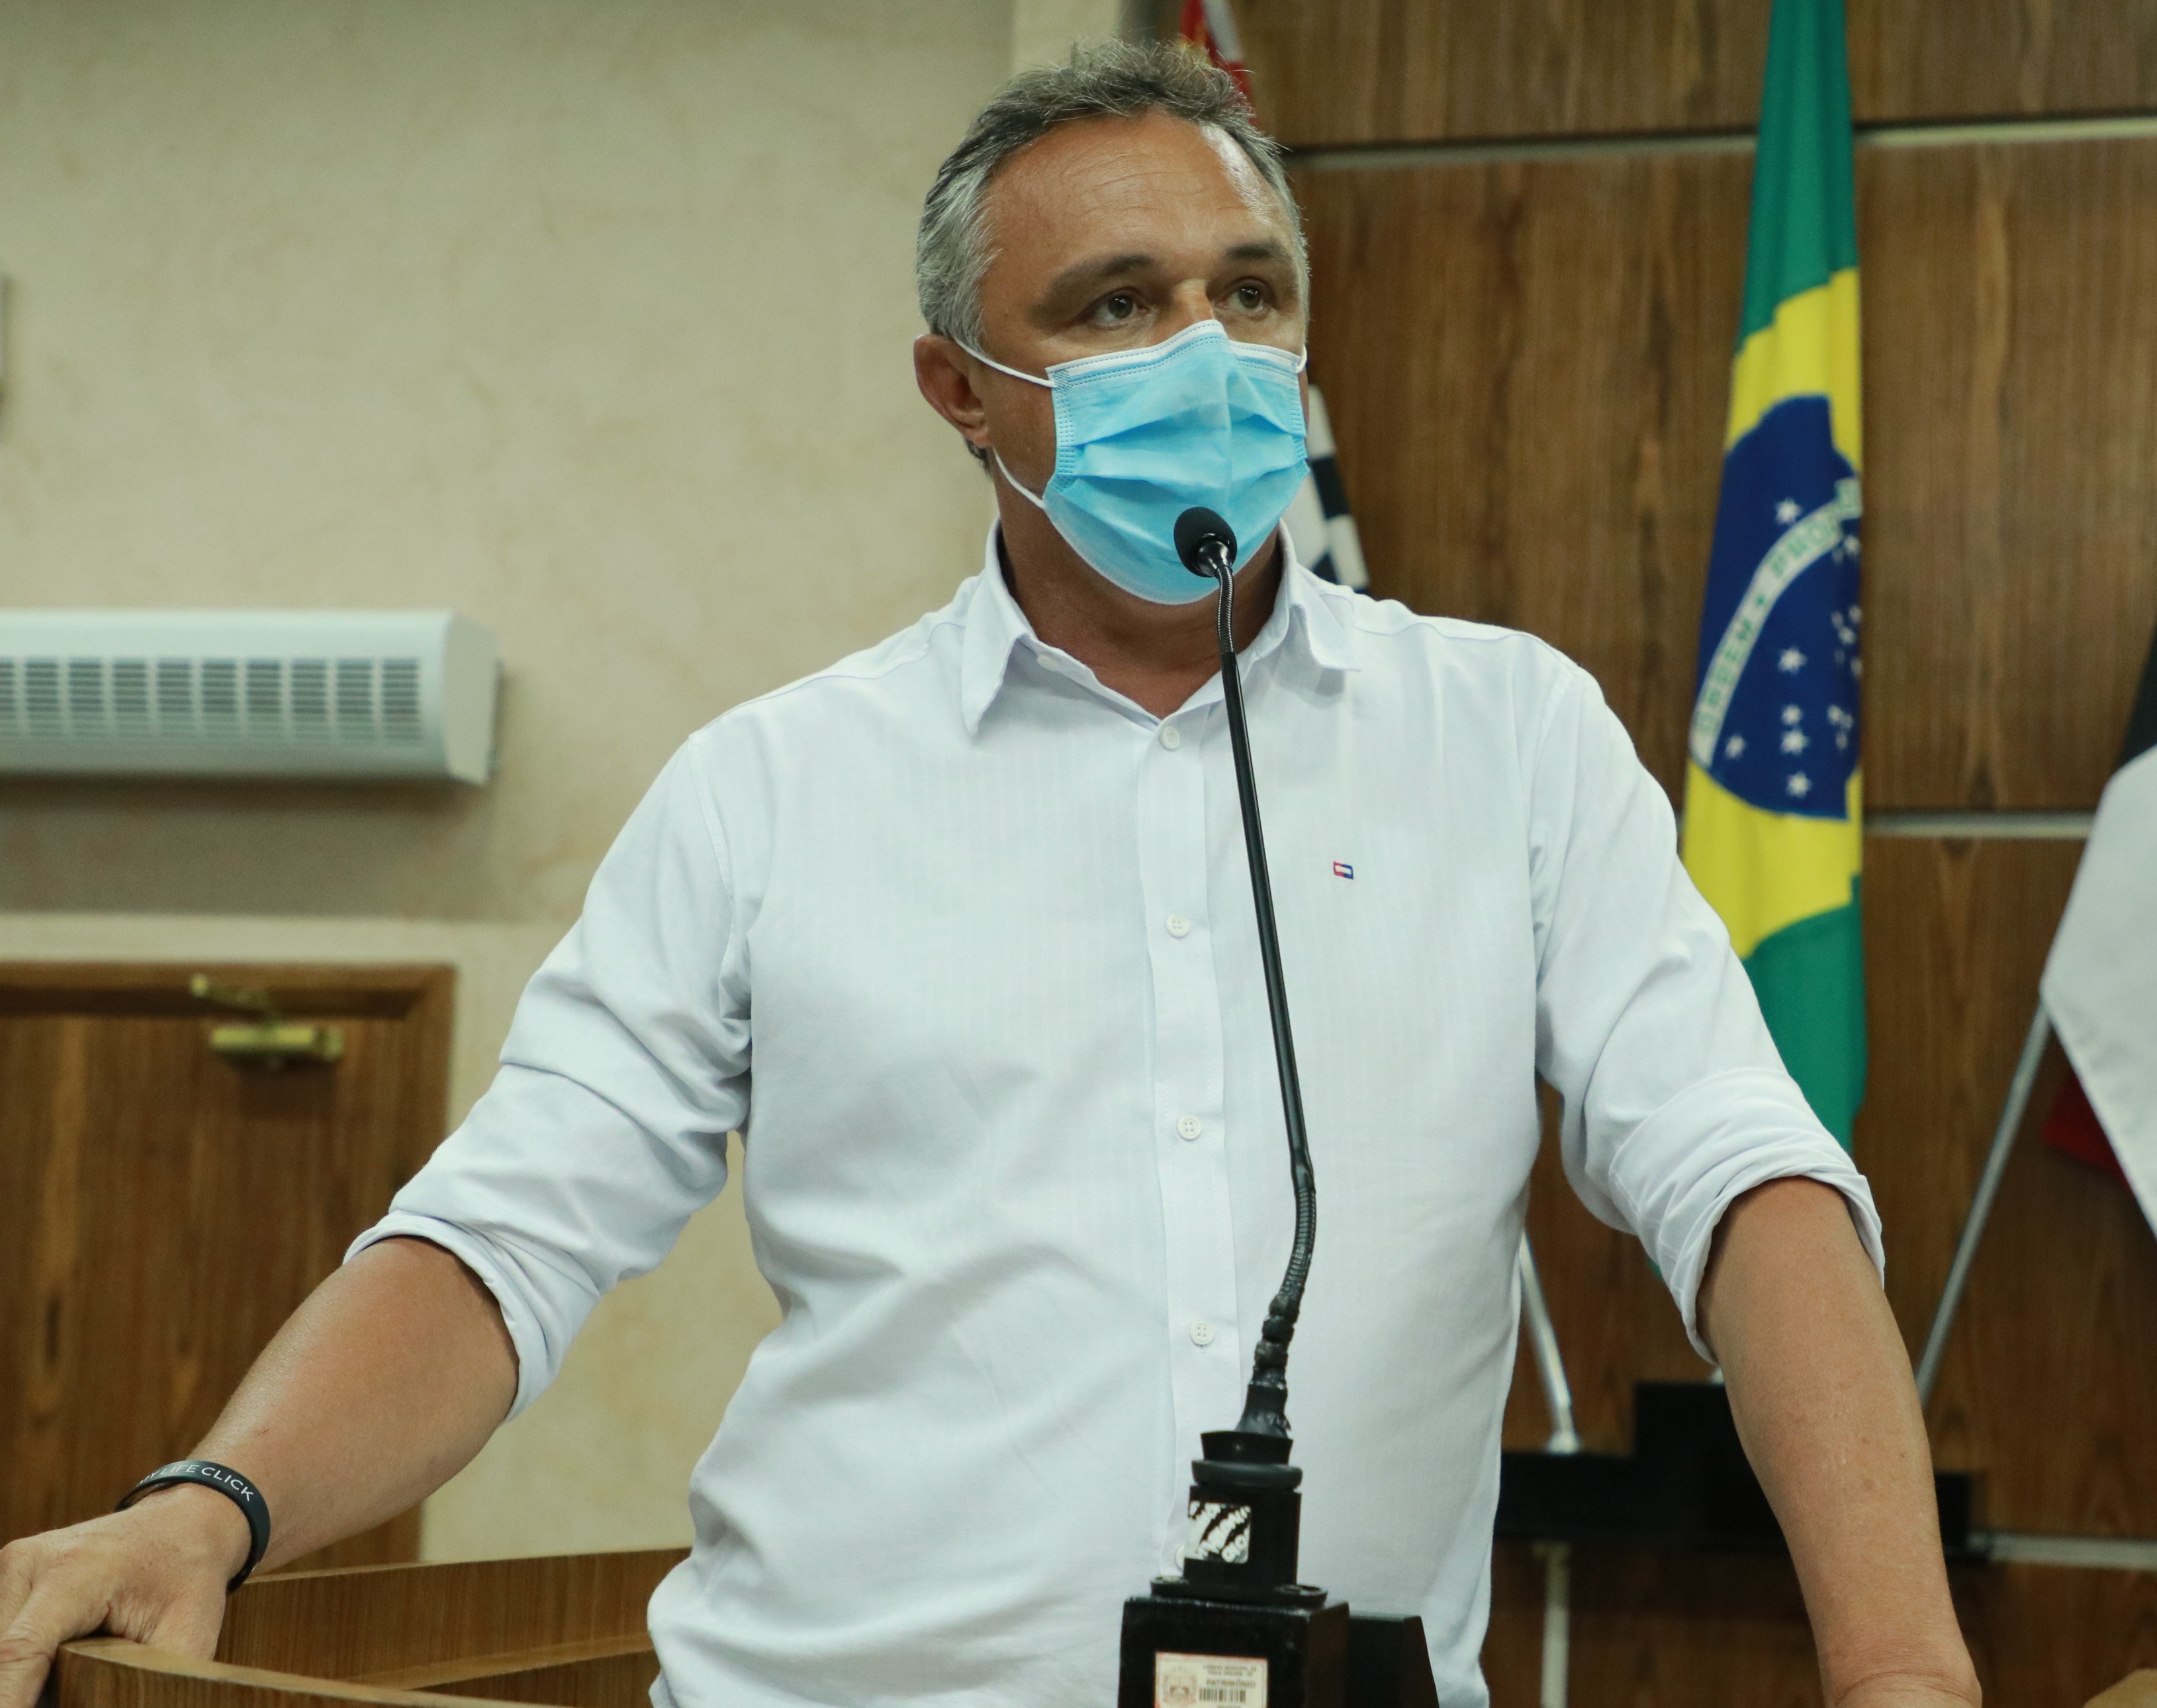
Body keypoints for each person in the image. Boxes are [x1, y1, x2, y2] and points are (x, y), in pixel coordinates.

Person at [0, 43, 1979, 1708]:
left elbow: (1748, 1188)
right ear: (959, 389)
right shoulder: (775, 787)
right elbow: (502, 1242)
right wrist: (211, 1506)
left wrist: (1903, 1672)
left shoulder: (1510, 735)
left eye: (1250, 292)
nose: (1203, 349)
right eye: (1113, 306)